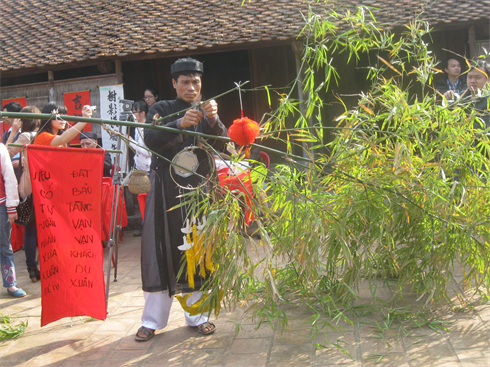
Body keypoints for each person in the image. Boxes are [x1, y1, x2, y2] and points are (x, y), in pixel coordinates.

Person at [136, 58, 227, 341]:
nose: (191, 87)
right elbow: (150, 138)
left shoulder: (205, 109)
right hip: (166, 192)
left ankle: (198, 316)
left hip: (197, 192)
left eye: (196, 82)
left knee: (196, 251)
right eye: (185, 82)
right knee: (161, 250)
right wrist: (179, 123)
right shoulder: (160, 109)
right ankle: (151, 321)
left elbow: (222, 145)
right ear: (174, 83)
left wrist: (212, 120)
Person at [6, 106, 41, 282]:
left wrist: (12, 132)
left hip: (28, 185)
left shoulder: (25, 136)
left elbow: (4, 154)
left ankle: (32, 267)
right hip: (45, 184)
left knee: (30, 229)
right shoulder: (42, 136)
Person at [0, 141, 25, 297]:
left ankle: (11, 283)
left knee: (4, 245)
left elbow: (9, 177)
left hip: (0, 204)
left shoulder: (0, 149)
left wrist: (11, 207)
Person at [129, 101, 151, 237]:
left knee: (148, 201)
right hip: (141, 168)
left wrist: (130, 142)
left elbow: (147, 151)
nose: (133, 115)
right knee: (143, 200)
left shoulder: (146, 128)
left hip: (148, 169)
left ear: (142, 113)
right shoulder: (137, 128)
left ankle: (147, 227)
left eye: (135, 112)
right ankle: (144, 226)